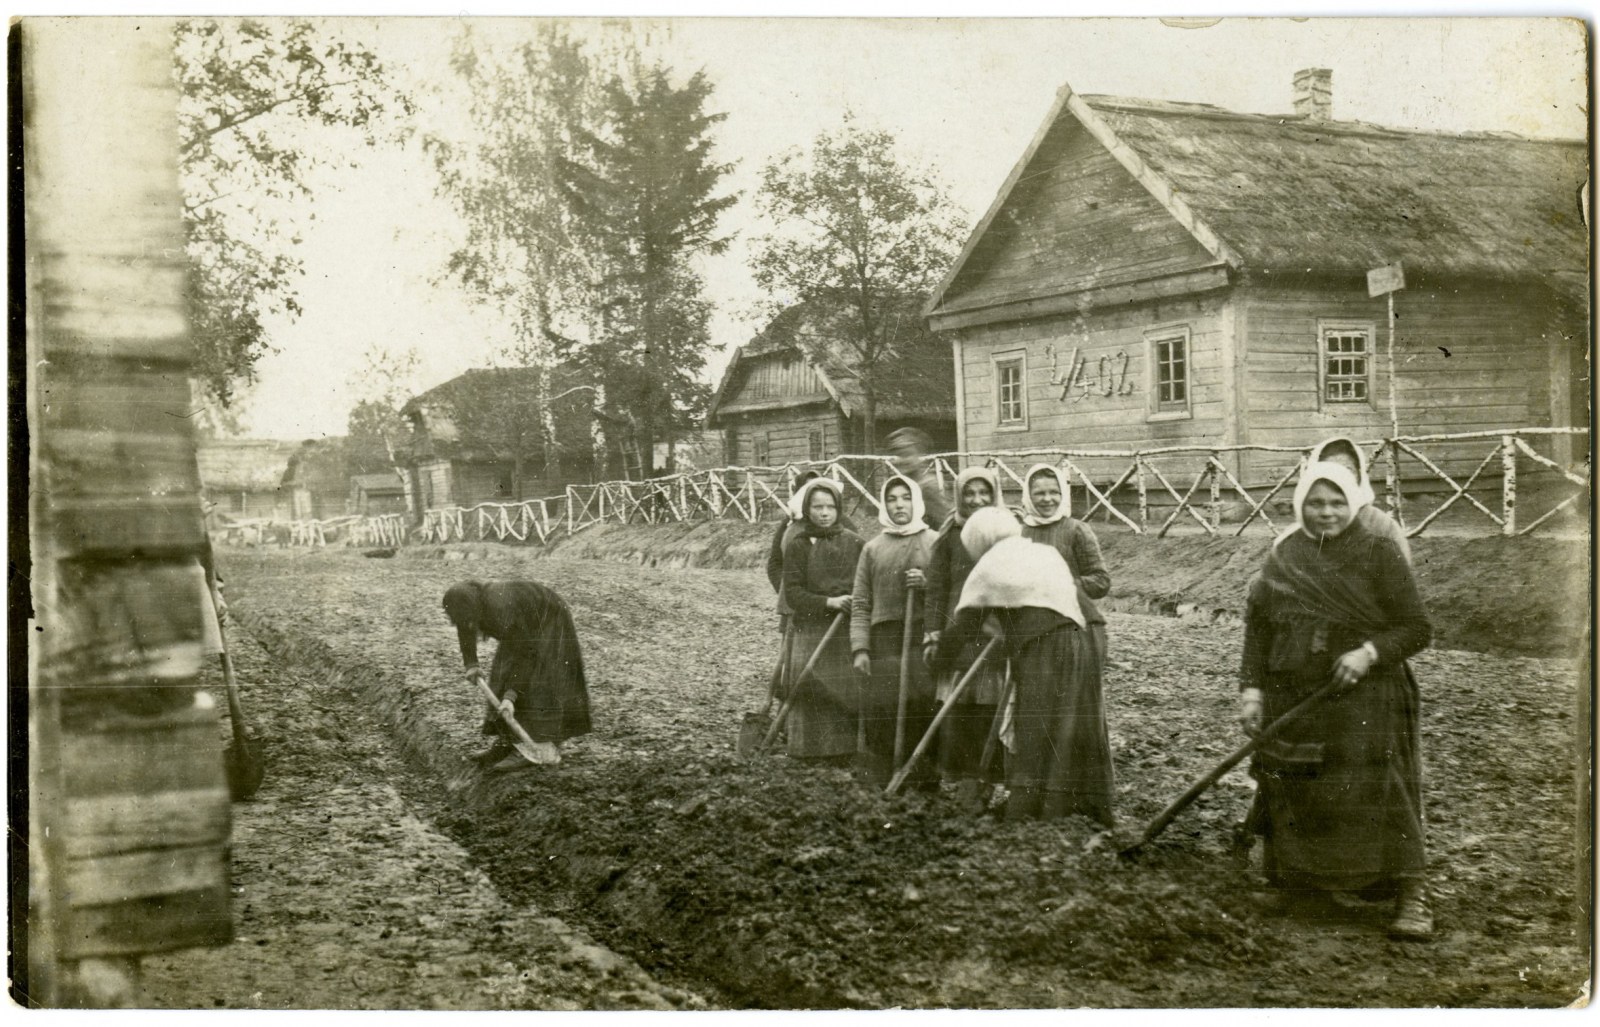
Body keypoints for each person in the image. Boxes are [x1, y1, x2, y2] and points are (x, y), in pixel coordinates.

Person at [1238, 461, 1434, 940]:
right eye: (1315, 503)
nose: (1326, 512)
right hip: (1293, 692)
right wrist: (1252, 690)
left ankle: (1411, 893)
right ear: (1299, 505)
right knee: (1294, 783)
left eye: (1336, 503)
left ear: (1354, 503)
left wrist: (1369, 653)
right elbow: (1258, 628)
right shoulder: (1285, 554)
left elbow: (1416, 628)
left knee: (1376, 786)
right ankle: (1299, 883)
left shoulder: (1378, 549)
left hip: (1367, 694)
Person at [933, 507, 1115, 825]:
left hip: (1052, 644)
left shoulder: (991, 565)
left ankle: (1033, 807)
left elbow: (965, 626)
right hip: (1090, 635)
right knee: (1078, 720)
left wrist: (937, 662)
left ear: (979, 541)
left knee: (1036, 723)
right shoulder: (1040, 551)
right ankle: (1082, 805)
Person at [922, 467, 1009, 808]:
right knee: (958, 707)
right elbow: (936, 588)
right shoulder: (950, 535)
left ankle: (989, 779)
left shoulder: (1007, 529)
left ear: (994, 494)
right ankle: (961, 778)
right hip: (957, 629)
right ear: (959, 497)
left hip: (995, 630)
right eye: (969, 493)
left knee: (991, 705)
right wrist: (933, 632)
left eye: (983, 492)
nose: (977, 500)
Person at [442, 580, 592, 772]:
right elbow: (465, 626)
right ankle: (507, 742)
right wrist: (471, 663)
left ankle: (533, 748)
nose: (466, 623)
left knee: (539, 679)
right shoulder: (473, 604)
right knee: (501, 671)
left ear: (473, 610)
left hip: (549, 619)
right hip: (524, 625)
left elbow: (526, 655)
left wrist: (510, 696)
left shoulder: (500, 610)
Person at [849, 474, 936, 786]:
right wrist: (860, 648)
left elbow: (947, 593)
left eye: (905, 498)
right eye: (892, 499)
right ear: (884, 505)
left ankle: (920, 775)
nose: (899, 505)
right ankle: (882, 774)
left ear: (916, 501)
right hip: (884, 636)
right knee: (885, 704)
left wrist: (926, 584)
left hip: (921, 634)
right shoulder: (873, 548)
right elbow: (861, 602)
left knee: (920, 703)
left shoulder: (934, 541)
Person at [780, 477, 866, 763]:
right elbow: (793, 594)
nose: (825, 513)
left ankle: (846, 749)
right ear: (807, 509)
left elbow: (866, 581)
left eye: (830, 506)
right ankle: (810, 750)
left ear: (839, 508)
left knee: (844, 688)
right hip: (811, 628)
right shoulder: (799, 544)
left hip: (844, 628)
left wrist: (852, 600)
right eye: (818, 507)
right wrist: (829, 602)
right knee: (811, 687)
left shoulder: (855, 542)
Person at [1019, 464, 1112, 669]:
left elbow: (1101, 581)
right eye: (1039, 493)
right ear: (1028, 496)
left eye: (1054, 492)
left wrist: (1065, 585)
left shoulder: (1077, 531)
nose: (1047, 499)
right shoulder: (1018, 533)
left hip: (1071, 628)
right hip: (1030, 630)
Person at [1301, 436, 1411, 563]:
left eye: (1348, 470)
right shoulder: (1305, 526)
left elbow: (1401, 572)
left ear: (1359, 475)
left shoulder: (1383, 526)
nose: (1339, 478)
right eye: (1330, 470)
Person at [886, 426, 953, 529]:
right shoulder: (901, 486)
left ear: (918, 456)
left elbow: (943, 524)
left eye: (907, 455)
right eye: (898, 456)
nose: (902, 461)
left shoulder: (927, 487)